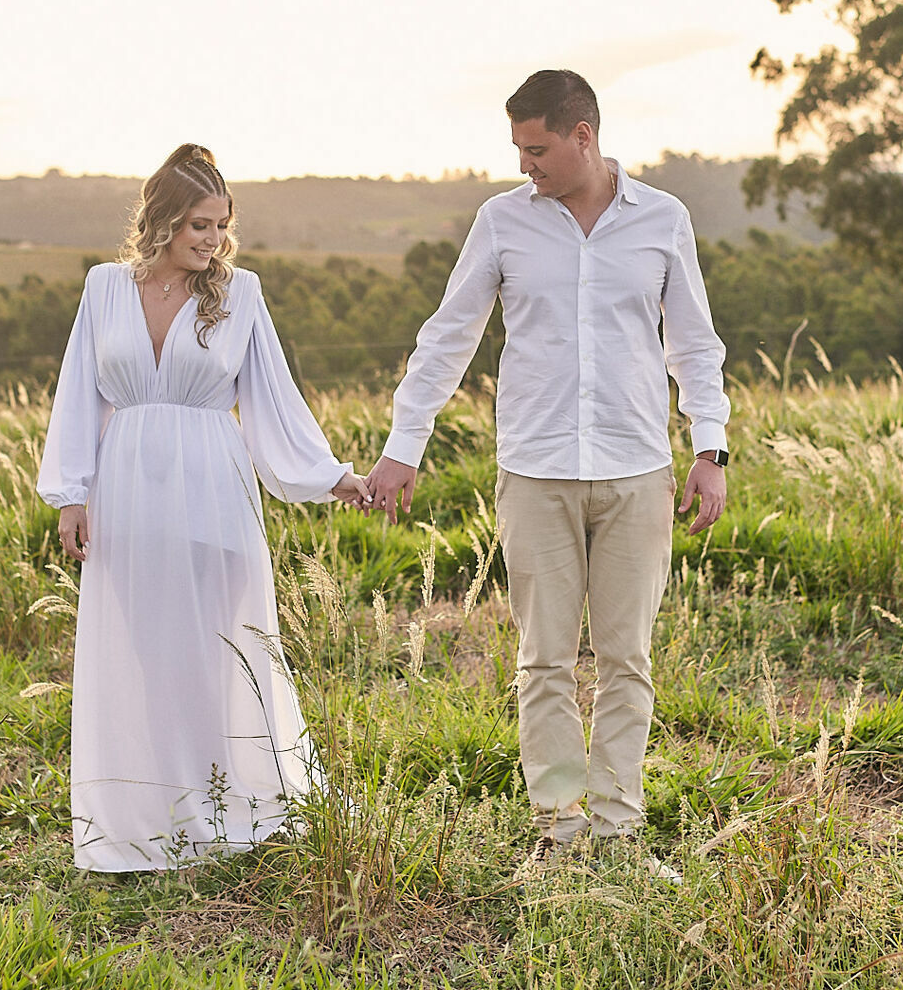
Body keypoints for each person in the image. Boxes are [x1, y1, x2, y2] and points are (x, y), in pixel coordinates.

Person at [365, 69, 729, 872]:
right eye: (518, 149)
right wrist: (404, 443)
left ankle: (619, 836)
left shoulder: (663, 220)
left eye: (537, 149)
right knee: (544, 663)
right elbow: (448, 335)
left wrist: (711, 449)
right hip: (534, 473)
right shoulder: (502, 223)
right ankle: (561, 836)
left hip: (636, 472)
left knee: (628, 659)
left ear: (583, 137)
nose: (525, 164)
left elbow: (694, 345)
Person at [37, 144, 370, 872]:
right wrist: (72, 494)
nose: (212, 240)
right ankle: (155, 813)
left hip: (214, 488)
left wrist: (332, 476)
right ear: (158, 221)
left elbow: (274, 401)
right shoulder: (103, 288)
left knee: (222, 651)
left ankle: (226, 805)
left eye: (220, 225)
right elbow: (77, 395)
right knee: (146, 654)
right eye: (196, 225)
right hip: (127, 490)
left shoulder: (240, 293)